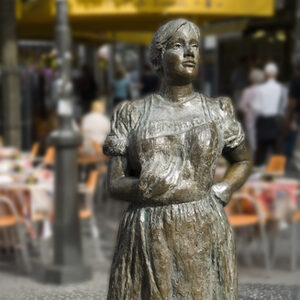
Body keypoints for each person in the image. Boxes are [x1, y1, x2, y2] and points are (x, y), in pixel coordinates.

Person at [104, 19, 252, 299]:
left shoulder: (216, 111)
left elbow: (242, 161)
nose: (190, 52)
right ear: (158, 58)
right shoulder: (133, 114)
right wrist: (150, 187)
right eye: (178, 45)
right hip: (149, 230)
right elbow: (114, 183)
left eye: (194, 45)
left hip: (202, 225)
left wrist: (226, 187)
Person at [252, 62, 287, 166]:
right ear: (276, 74)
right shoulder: (282, 88)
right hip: (277, 120)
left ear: (266, 74)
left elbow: (256, 107)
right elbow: (284, 106)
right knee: (277, 152)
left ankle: (258, 174)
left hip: (263, 121)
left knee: (261, 151)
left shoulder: (260, 89)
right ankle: (277, 174)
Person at [238, 69, 265, 154]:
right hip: (264, 117)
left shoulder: (247, 91)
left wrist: (248, 110)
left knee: (252, 139)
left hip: (251, 117)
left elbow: (241, 106)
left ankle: (255, 156)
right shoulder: (264, 91)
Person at [285, 61, 300, 160]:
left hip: (297, 112)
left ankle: (289, 155)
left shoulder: (296, 80)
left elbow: (292, 100)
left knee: (293, 132)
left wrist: (290, 113)